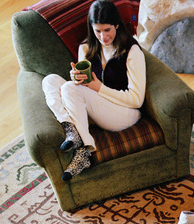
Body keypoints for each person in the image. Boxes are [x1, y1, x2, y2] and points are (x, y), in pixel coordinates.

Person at [42, 0, 145, 181]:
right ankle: (70, 128)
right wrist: (77, 79)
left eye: (107, 30)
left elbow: (137, 100)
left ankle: (85, 150)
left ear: (117, 25)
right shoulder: (86, 47)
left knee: (68, 88)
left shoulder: (131, 51)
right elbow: (83, 89)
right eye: (97, 31)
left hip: (125, 113)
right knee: (50, 81)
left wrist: (99, 87)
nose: (103, 37)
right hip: (96, 109)